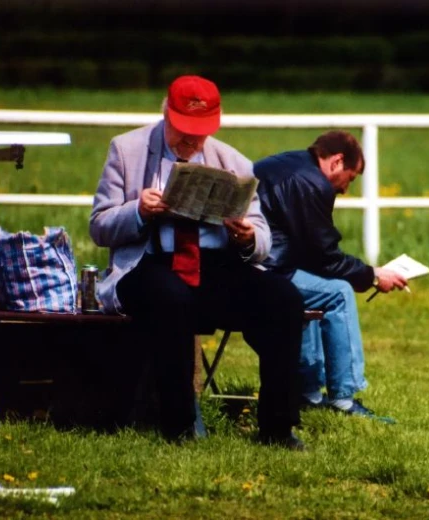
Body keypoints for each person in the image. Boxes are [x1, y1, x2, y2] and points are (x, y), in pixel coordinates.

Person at [89, 75, 306, 450]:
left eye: (199, 134)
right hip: (150, 262)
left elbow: (263, 236)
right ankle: (179, 425)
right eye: (183, 132)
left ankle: (278, 427)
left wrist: (246, 237)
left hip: (215, 265)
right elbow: (98, 226)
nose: (190, 142)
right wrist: (137, 211)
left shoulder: (233, 161)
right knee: (172, 298)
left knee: (284, 298)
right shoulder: (126, 149)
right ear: (165, 114)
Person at [254, 130, 408, 422]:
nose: (347, 189)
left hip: (253, 264)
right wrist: (373, 276)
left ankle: (309, 393)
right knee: (338, 292)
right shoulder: (311, 183)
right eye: (351, 178)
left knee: (318, 284)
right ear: (337, 162)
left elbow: (314, 253)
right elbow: (324, 255)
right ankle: (344, 399)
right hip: (265, 271)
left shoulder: (291, 164)